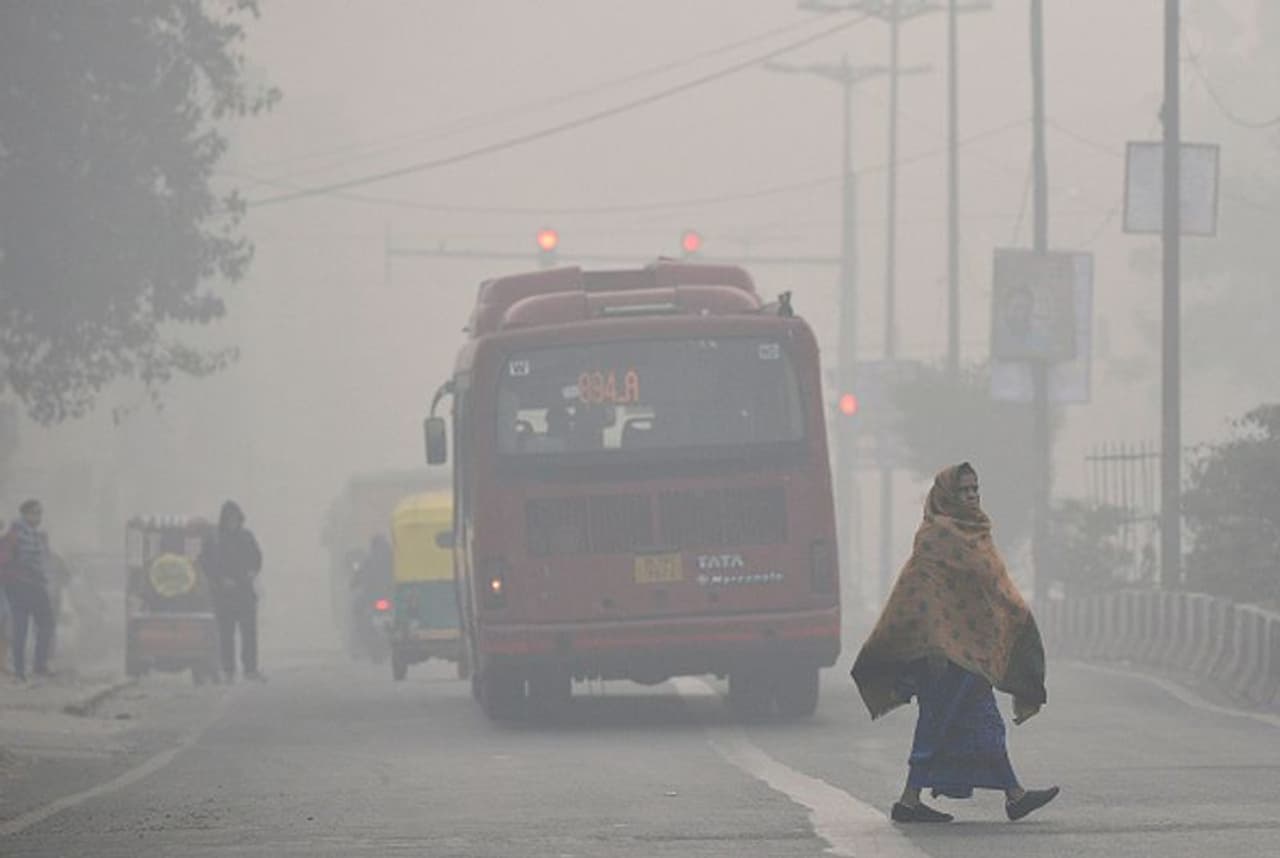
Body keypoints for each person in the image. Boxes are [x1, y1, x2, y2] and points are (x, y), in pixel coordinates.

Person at [850, 464, 1059, 824]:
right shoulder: (936, 537)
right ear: (947, 495)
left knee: (985, 722)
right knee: (937, 722)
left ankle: (1013, 796)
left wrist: (1015, 617)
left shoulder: (977, 531)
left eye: (975, 488)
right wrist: (934, 644)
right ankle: (911, 800)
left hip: (975, 652)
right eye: (964, 490)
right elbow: (922, 595)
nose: (972, 495)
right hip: (944, 655)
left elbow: (993, 588)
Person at [200, 501, 264, 682]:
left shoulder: (247, 537)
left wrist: (253, 571)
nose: (232, 522)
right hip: (224, 595)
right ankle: (228, 670)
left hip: (244, 592)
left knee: (249, 633)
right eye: (229, 519)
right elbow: (205, 562)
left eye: (235, 519)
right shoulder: (215, 539)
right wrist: (219, 580)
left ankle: (250, 669)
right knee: (226, 635)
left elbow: (257, 557)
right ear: (224, 520)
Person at [2, 500, 56, 681]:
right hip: (21, 586)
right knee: (22, 627)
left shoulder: (36, 536)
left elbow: (44, 559)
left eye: (40, 513)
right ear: (25, 514)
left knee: (45, 623)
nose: (38, 517)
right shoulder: (14, 535)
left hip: (35, 585)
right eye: (35, 513)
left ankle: (37, 665)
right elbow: (6, 562)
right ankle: (21, 670)